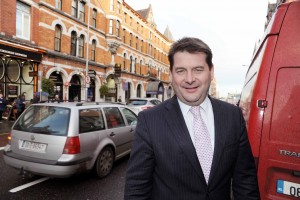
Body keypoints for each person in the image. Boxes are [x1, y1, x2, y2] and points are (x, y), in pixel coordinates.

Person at [124, 37, 260, 200]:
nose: (189, 79)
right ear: (171, 74)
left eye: (198, 69)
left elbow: (245, 180)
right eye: (181, 70)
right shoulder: (150, 120)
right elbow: (137, 188)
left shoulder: (232, 116)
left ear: (211, 71)